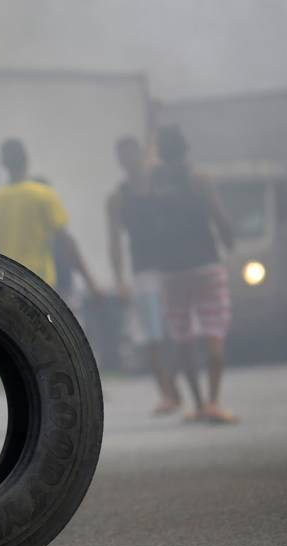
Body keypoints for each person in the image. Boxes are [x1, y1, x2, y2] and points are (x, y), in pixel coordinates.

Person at [151, 126, 236, 423]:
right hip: (205, 265)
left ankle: (198, 404)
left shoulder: (153, 182)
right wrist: (228, 240)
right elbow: (219, 215)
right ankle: (214, 401)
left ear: (160, 151)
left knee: (183, 336)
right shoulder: (199, 178)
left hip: (171, 270)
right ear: (185, 148)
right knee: (214, 331)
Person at [108, 136, 181, 414]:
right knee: (153, 335)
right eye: (123, 155)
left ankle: (177, 386)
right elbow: (114, 241)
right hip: (144, 272)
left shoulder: (163, 187)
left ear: (140, 155)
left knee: (176, 333)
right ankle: (166, 392)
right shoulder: (118, 198)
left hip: (172, 267)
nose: (129, 160)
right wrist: (120, 280)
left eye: (132, 153)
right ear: (120, 161)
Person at [0, 139, 101, 297]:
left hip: (10, 286)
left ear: (3, 164)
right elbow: (65, 241)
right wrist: (89, 280)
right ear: (26, 159)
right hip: (43, 285)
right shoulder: (43, 194)